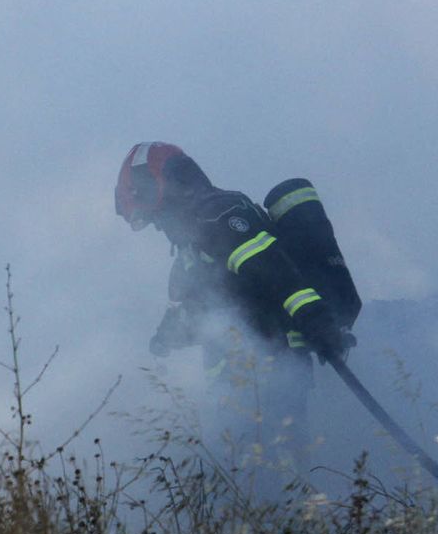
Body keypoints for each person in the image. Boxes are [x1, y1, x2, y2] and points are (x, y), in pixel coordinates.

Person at [114, 141, 355, 467]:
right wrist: (166, 338)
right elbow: (209, 307)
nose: (157, 225)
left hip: (272, 372)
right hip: (240, 387)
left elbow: (275, 270)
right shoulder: (190, 246)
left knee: (275, 482)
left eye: (152, 216)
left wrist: (315, 318)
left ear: (159, 186)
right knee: (255, 485)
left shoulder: (217, 215)